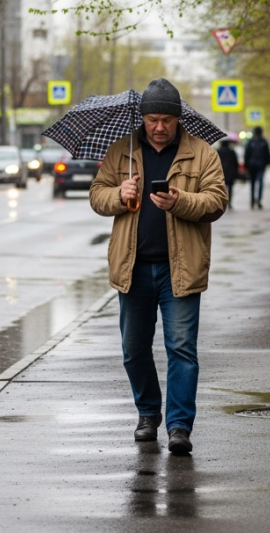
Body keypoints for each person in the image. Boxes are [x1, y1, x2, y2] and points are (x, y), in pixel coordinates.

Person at [89, 78, 228, 455]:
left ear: (178, 118)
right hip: (132, 269)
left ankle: (179, 426)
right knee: (134, 349)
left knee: (181, 349)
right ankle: (148, 414)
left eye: (167, 119)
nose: (160, 127)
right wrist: (119, 194)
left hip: (179, 269)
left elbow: (217, 201)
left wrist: (179, 201)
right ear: (143, 118)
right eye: (153, 119)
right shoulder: (123, 151)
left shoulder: (202, 154)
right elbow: (96, 196)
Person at [244, 126, 270, 209]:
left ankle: (252, 200)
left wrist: (246, 166)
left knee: (252, 184)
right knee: (260, 184)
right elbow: (268, 155)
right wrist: (266, 164)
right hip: (261, 166)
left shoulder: (250, 142)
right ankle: (259, 200)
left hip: (252, 166)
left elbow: (246, 155)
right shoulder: (264, 142)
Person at [217, 140, 240, 209]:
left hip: (221, 172)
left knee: (221, 188)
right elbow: (236, 163)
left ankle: (222, 202)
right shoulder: (231, 151)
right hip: (230, 172)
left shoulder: (218, 152)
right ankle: (229, 202)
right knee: (230, 188)